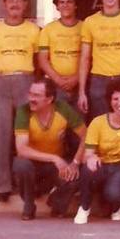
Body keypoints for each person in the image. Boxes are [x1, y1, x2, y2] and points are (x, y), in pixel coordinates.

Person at [0, 0, 40, 203]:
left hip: (26, 80)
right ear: (4, 4)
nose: (14, 5)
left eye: (18, 1)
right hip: (1, 82)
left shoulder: (34, 30)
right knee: (1, 134)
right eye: (10, 1)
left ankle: (27, 184)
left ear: (25, 4)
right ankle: (3, 186)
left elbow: (38, 62)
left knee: (27, 133)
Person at [12, 78, 86, 220]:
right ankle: (29, 204)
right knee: (21, 164)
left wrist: (75, 162)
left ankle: (56, 202)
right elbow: (21, 149)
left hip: (54, 168)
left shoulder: (63, 109)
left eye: (37, 95)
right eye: (30, 94)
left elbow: (86, 135)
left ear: (49, 99)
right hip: (33, 164)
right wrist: (54, 158)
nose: (31, 99)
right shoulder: (23, 111)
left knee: (76, 176)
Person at [73, 79, 120, 224]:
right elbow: (88, 153)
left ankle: (117, 206)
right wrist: (91, 158)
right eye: (115, 99)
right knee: (88, 169)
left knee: (114, 193)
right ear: (110, 101)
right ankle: (84, 207)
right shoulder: (98, 122)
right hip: (101, 164)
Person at [38, 0, 82, 107]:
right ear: (57, 6)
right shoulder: (48, 29)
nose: (65, 5)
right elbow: (43, 60)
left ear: (76, 5)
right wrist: (59, 80)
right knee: (57, 123)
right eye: (61, 2)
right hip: (54, 84)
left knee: (79, 122)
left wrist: (76, 78)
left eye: (69, 2)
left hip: (80, 83)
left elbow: (90, 58)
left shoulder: (85, 27)